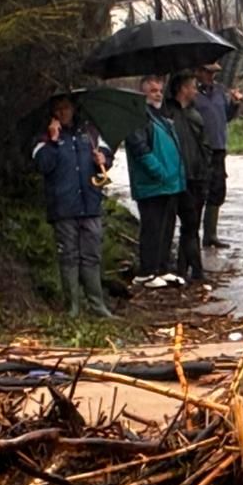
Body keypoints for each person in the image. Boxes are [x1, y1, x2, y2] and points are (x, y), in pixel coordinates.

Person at [32, 95, 114, 318]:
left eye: (66, 108)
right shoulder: (44, 138)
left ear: (74, 109)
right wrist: (54, 140)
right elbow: (43, 165)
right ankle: (73, 307)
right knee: (68, 255)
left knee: (92, 254)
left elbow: (108, 156)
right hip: (63, 206)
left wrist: (103, 160)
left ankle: (97, 305)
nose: (63, 112)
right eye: (58, 109)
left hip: (90, 203)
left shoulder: (90, 132)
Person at [123, 75, 186, 288]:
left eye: (159, 89)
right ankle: (147, 272)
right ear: (143, 93)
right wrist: (159, 171)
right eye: (152, 90)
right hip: (152, 184)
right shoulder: (137, 117)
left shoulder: (162, 115)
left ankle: (162, 268)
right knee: (152, 228)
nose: (158, 93)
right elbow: (139, 148)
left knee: (167, 227)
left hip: (169, 183)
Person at [193, 61, 242, 248]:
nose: (211, 76)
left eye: (213, 73)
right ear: (198, 72)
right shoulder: (194, 96)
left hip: (219, 149)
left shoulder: (220, 92)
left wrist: (235, 104)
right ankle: (193, 235)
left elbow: (226, 116)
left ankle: (210, 234)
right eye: (207, 72)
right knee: (200, 192)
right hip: (201, 149)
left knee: (218, 190)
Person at [166, 70, 210, 282]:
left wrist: (206, 169)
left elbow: (204, 145)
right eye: (193, 86)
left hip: (197, 178)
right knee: (188, 225)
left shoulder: (195, 115)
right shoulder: (167, 115)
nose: (196, 91)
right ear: (182, 88)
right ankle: (196, 272)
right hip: (176, 179)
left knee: (192, 226)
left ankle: (185, 270)